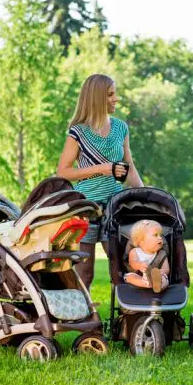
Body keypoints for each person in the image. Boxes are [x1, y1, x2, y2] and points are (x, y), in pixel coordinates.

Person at [57, 74, 143, 289]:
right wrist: (103, 169)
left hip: (115, 206)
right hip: (85, 208)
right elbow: (63, 172)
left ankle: (125, 318)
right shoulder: (78, 131)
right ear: (97, 98)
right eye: (111, 94)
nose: (116, 99)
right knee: (84, 272)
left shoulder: (120, 127)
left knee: (122, 267)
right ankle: (82, 318)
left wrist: (143, 194)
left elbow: (129, 166)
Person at [124, 219, 169, 293]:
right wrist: (139, 265)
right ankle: (148, 284)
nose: (160, 238)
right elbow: (132, 263)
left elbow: (166, 269)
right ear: (141, 241)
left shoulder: (162, 254)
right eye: (155, 235)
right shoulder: (134, 252)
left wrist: (160, 272)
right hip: (138, 275)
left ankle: (157, 285)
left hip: (155, 277)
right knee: (129, 277)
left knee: (165, 279)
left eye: (160, 235)